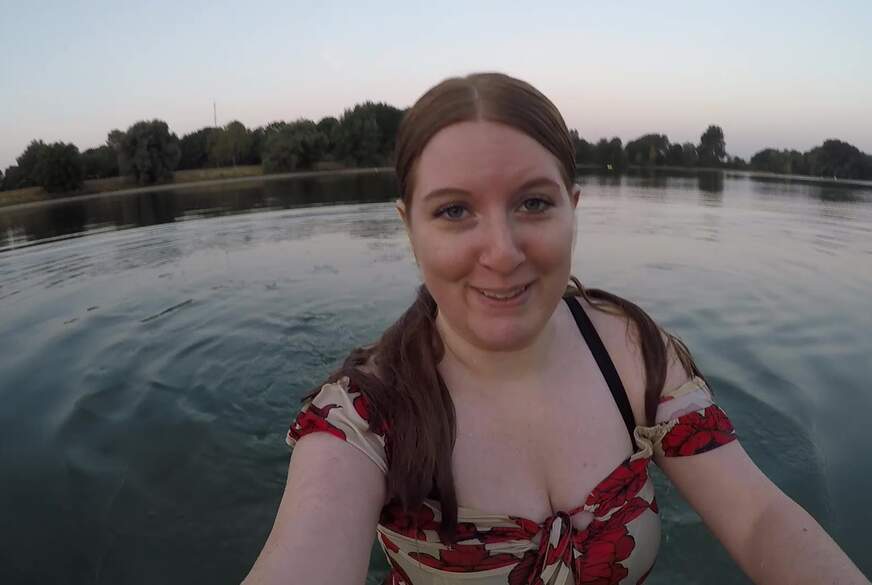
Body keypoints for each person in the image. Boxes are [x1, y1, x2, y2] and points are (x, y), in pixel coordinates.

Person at [242, 73, 869, 585]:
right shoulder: (365, 414)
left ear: (574, 208)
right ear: (409, 228)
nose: (503, 252)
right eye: (454, 210)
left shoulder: (633, 354)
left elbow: (759, 519)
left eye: (534, 202)